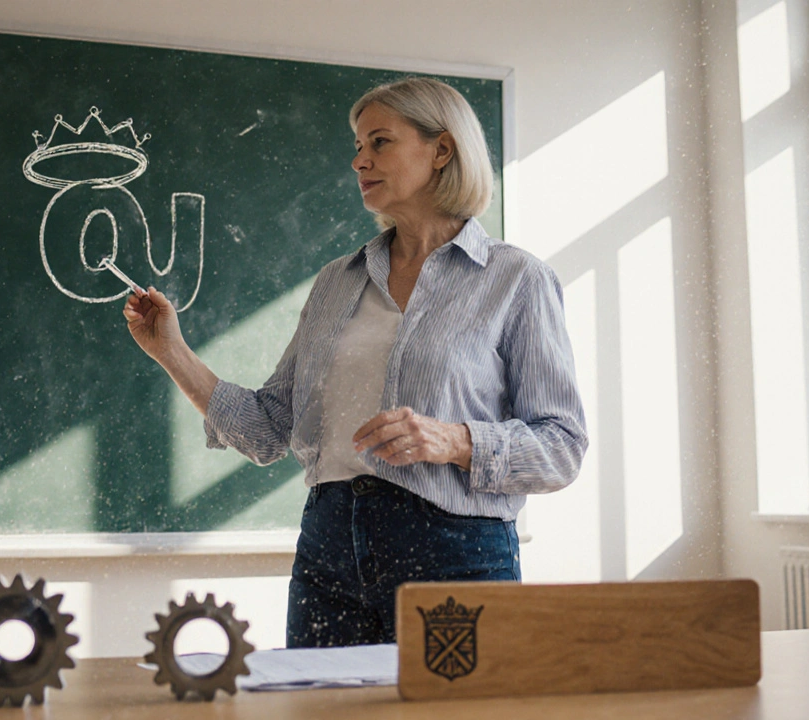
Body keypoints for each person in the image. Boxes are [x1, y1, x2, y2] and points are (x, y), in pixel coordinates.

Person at [123, 76, 587, 647]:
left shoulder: (517, 280)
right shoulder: (336, 283)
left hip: (456, 559)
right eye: (358, 146)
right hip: (329, 552)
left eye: (379, 143)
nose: (359, 161)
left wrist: (455, 441)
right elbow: (269, 428)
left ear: (441, 150)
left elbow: (561, 447)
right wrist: (171, 352)